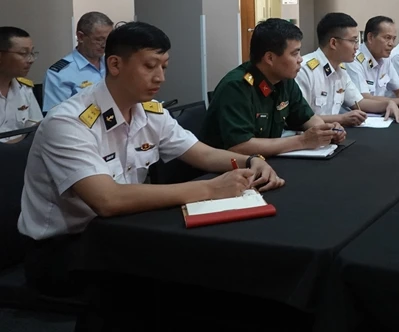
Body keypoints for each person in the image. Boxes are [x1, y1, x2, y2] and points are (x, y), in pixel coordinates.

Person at [18, 22, 284, 296]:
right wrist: (210, 189)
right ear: (115, 64)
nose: (160, 78)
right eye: (150, 66)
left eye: (164, 67)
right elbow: (108, 200)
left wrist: (251, 160)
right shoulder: (68, 121)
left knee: (215, 265)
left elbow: (202, 153)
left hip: (122, 231)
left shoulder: (149, 112)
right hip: (66, 251)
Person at [200, 18, 345, 156]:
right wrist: (302, 141)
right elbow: (239, 146)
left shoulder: (284, 80)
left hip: (266, 162)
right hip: (225, 172)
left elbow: (306, 118)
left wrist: (326, 132)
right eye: (295, 53)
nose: (300, 59)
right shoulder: (236, 87)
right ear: (270, 58)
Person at [296, 13, 399, 126]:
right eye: (353, 41)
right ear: (333, 43)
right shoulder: (304, 70)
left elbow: (359, 102)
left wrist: (388, 103)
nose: (357, 47)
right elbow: (300, 118)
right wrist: (341, 118)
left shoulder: (340, 70)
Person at [42, 11, 113, 111]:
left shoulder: (112, 64)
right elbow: (56, 118)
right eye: (99, 39)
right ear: (81, 37)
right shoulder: (59, 74)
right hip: (80, 125)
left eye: (108, 39)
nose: (104, 45)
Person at [0, 27, 42, 143]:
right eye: (23, 53)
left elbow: (37, 129)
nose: (31, 60)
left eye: (32, 53)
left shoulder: (24, 89)